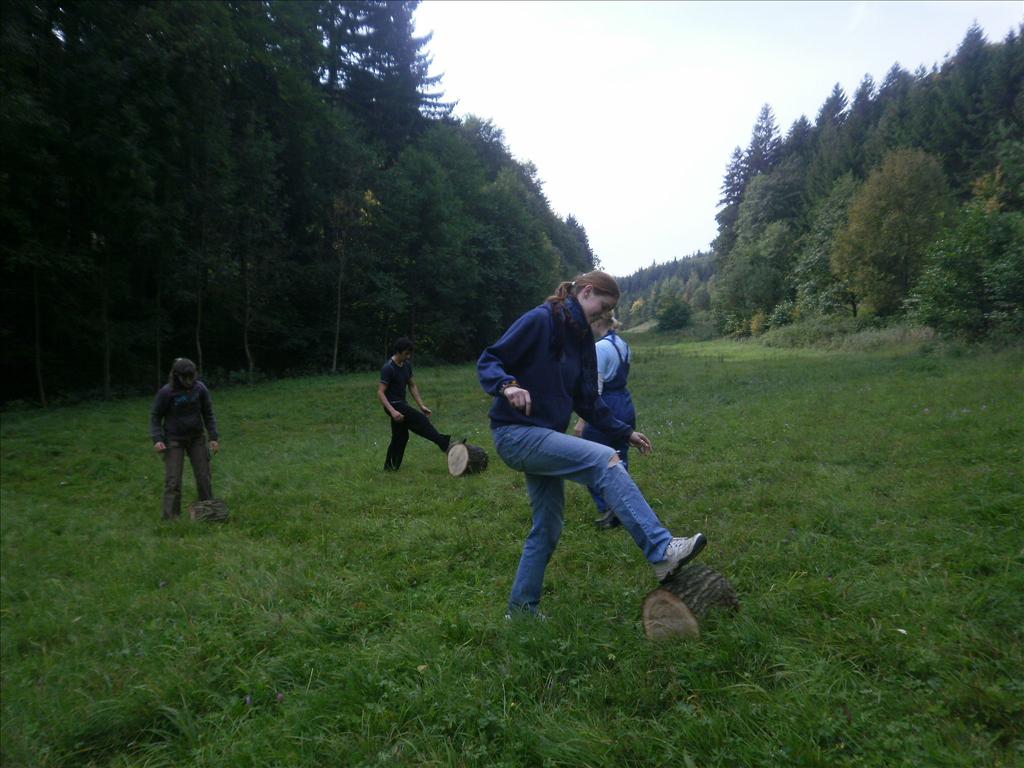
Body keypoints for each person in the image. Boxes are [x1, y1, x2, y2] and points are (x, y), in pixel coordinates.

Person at [477, 271, 706, 617]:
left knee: (548, 527)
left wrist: (624, 432)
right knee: (604, 461)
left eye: (609, 309)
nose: (604, 314)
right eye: (603, 305)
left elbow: (586, 398)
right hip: (516, 433)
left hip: (543, 437)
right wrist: (507, 385)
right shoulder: (541, 320)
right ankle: (661, 550)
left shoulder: (582, 338)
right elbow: (490, 359)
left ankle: (521, 611)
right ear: (586, 292)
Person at [573, 313, 635, 529]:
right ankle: (626, 504)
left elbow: (594, 390)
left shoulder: (599, 348)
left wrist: (582, 421)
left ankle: (609, 508)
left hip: (606, 407)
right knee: (619, 457)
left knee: (591, 459)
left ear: (597, 321)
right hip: (625, 403)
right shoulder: (623, 344)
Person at [150, 357, 220, 520]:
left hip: (197, 438)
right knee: (173, 480)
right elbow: (155, 416)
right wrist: (157, 439)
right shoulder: (166, 392)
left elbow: (208, 413)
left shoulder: (200, 389)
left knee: (203, 477)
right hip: (174, 440)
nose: (189, 381)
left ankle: (208, 512)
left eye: (191, 377)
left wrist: (213, 437)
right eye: (185, 378)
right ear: (177, 376)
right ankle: (171, 518)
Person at [378, 337, 452, 471]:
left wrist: (421, 405)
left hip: (401, 404)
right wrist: (392, 411)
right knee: (420, 420)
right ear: (398, 352)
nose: (409, 356)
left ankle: (390, 468)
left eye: (410, 353)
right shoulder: (388, 368)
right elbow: (381, 392)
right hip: (393, 405)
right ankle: (446, 445)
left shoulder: (406, 366)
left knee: (401, 436)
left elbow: (412, 385)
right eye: (406, 353)